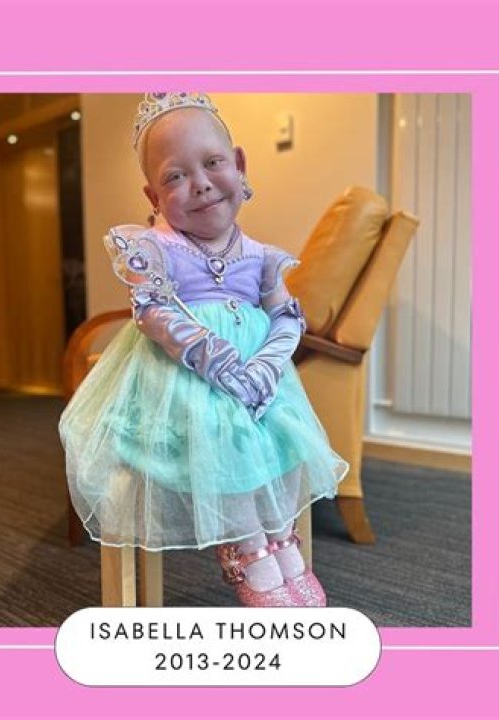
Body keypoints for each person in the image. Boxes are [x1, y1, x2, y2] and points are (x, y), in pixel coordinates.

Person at [59, 93, 348, 607]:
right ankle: (248, 549)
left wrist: (265, 366)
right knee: (221, 430)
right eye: (175, 176)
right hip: (184, 374)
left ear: (239, 165)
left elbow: (286, 314)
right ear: (153, 195)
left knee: (282, 436)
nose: (200, 183)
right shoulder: (154, 248)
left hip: (257, 376)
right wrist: (221, 361)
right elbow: (153, 312)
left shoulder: (261, 256)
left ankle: (282, 541)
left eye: (213, 163)